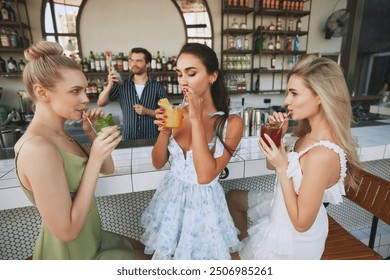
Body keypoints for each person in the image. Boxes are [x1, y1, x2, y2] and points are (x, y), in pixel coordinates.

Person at [14, 41, 148, 260]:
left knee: (148, 249)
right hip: (73, 255)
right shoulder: (38, 148)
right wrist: (93, 159)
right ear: (41, 92)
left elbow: (108, 168)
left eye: (84, 90)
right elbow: (66, 232)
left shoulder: (63, 135)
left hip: (92, 238)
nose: (86, 99)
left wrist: (93, 137)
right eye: (75, 91)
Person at [227, 55, 362, 260]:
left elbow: (301, 224)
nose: (286, 101)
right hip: (283, 214)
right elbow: (272, 166)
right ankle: (246, 251)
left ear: (320, 96)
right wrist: (278, 140)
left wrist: (282, 167)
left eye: (294, 93)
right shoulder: (305, 135)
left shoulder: (323, 155)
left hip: (294, 242)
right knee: (233, 197)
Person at [140, 43, 244, 260]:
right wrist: (164, 132)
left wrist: (196, 119)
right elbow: (157, 163)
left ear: (212, 76)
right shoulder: (176, 113)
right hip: (171, 200)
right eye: (179, 74)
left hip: (204, 206)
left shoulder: (230, 123)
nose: (183, 81)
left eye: (191, 73)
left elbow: (205, 176)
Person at [97, 47, 167, 139]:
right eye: (132, 60)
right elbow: (101, 103)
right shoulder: (122, 84)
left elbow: (166, 114)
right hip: (129, 137)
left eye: (138, 61)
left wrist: (147, 111)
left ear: (148, 64)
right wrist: (110, 84)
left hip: (152, 138)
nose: (134, 64)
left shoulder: (157, 86)